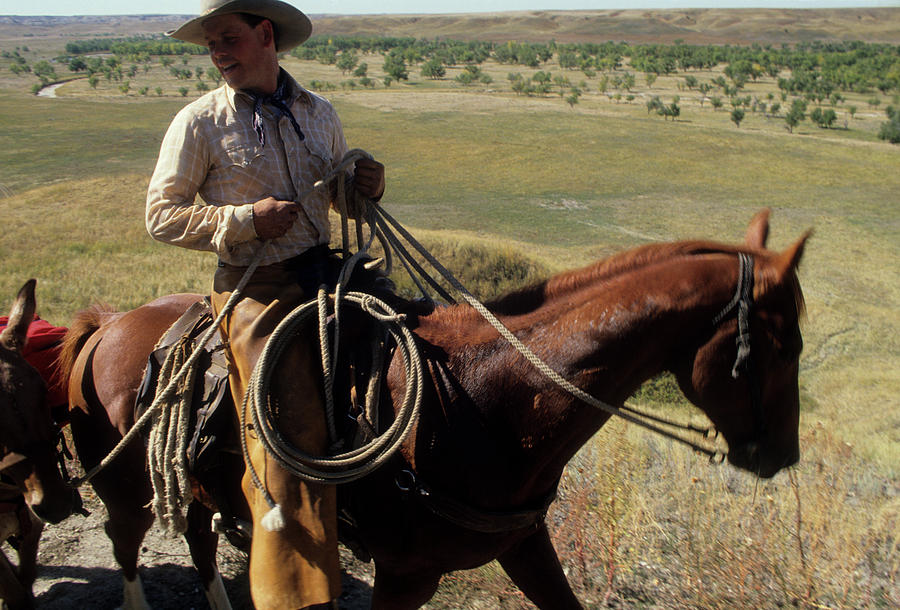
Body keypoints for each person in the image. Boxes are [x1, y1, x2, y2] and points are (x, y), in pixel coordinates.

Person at [146, 1, 385, 607]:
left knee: (425, 349)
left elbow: (339, 203)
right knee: (288, 431)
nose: (219, 52)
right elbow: (161, 216)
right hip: (257, 289)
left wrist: (364, 187)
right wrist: (246, 220)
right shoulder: (199, 122)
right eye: (211, 44)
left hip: (329, 275)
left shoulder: (319, 112)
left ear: (265, 35)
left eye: (228, 38)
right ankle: (293, 594)